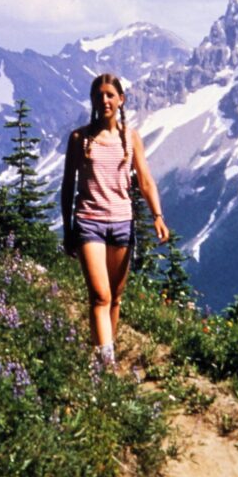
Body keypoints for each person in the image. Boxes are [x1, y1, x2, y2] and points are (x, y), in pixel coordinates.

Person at [61, 73, 169, 367]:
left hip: (122, 223)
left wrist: (157, 216)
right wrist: (68, 228)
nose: (104, 100)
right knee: (100, 295)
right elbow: (68, 186)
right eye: (99, 95)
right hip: (88, 222)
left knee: (116, 298)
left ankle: (103, 350)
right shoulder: (79, 138)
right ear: (92, 100)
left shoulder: (130, 137)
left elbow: (145, 180)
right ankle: (106, 369)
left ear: (121, 100)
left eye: (110, 95)